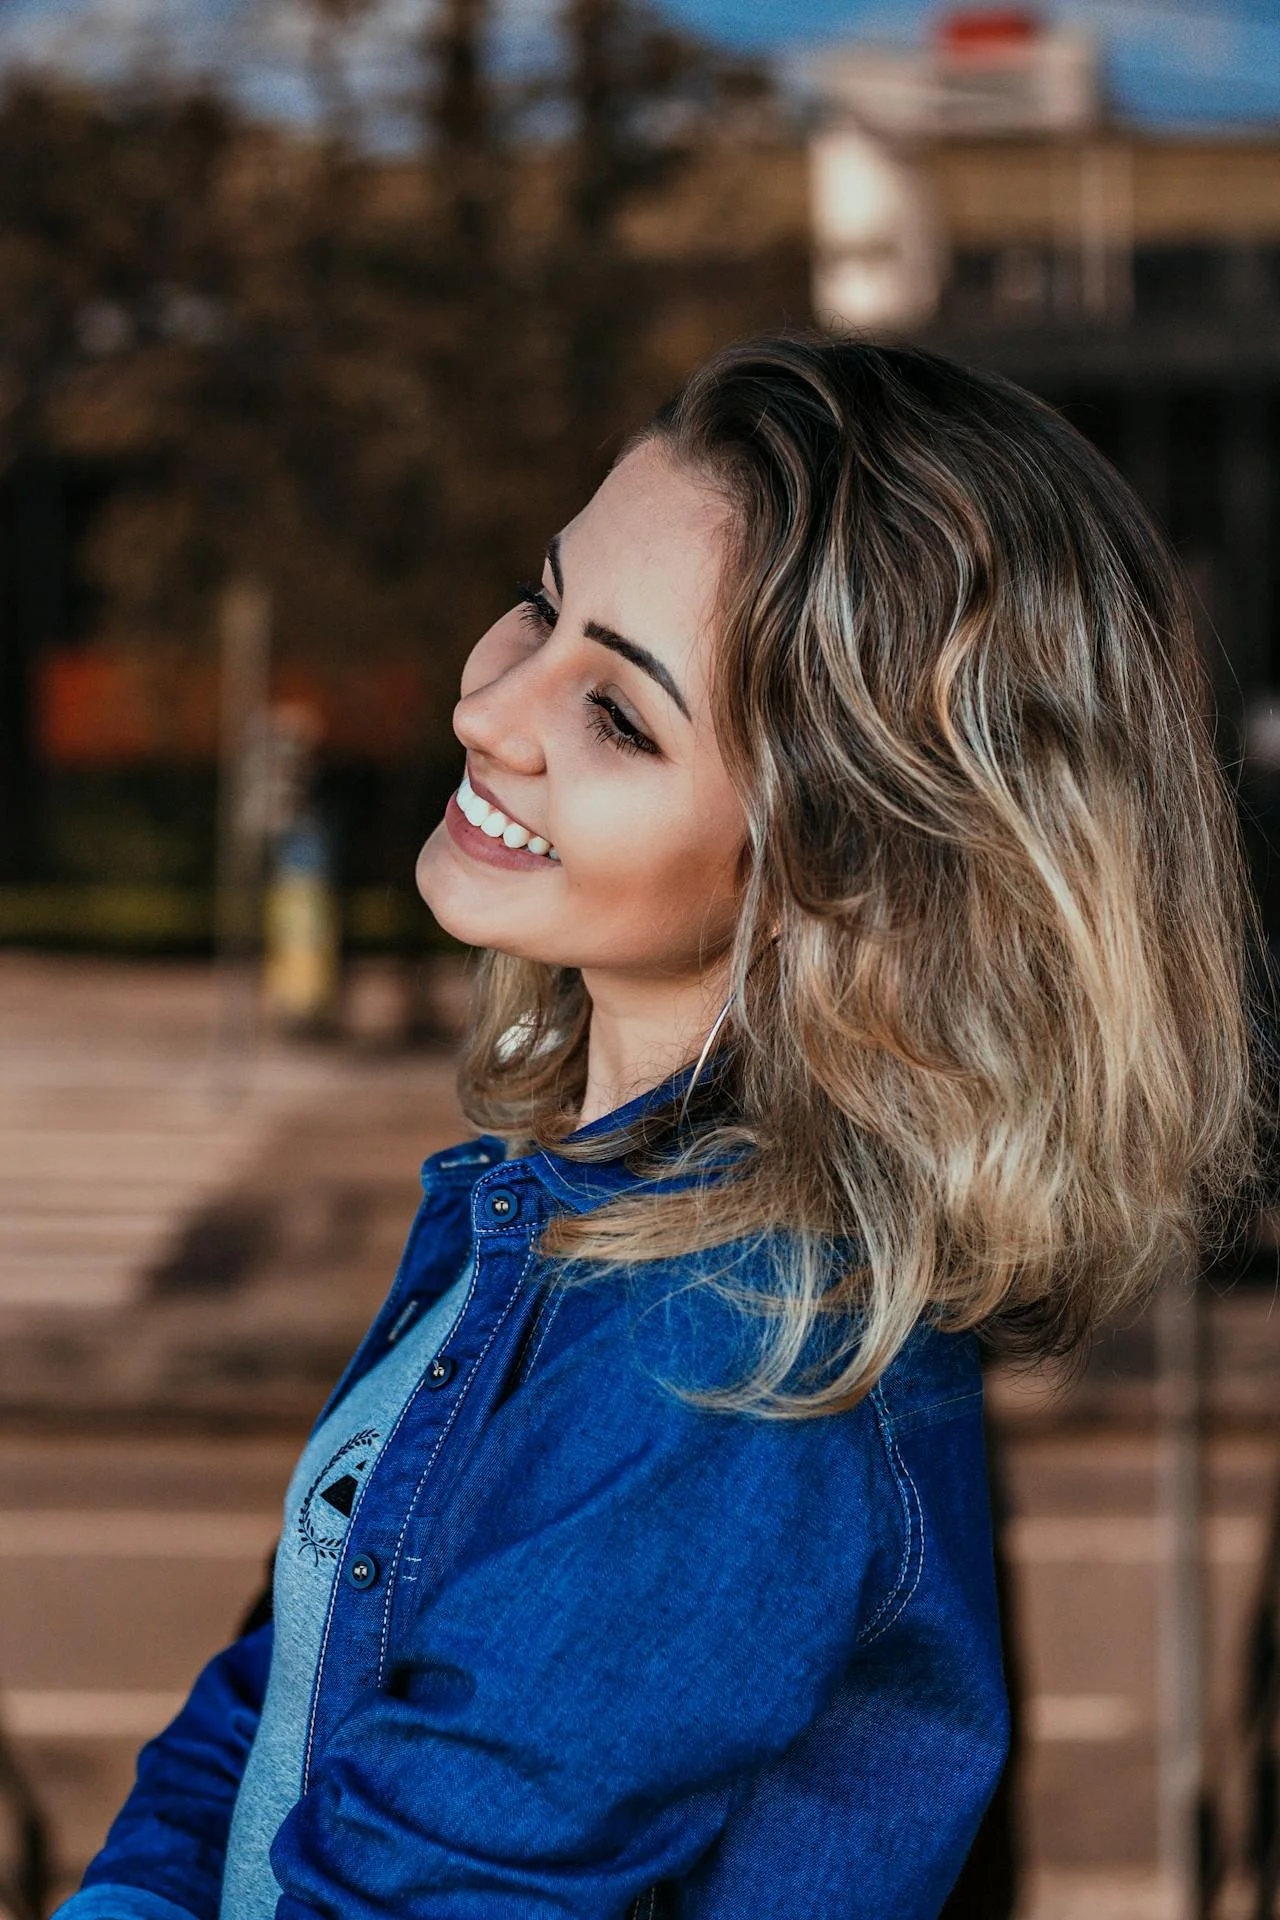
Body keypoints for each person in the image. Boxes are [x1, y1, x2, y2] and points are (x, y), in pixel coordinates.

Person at [56, 336, 1257, 1920]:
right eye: (545, 605)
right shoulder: (569, 1223)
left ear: (845, 869)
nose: (493, 706)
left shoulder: (734, 1348)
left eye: (620, 714)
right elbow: (277, 1693)